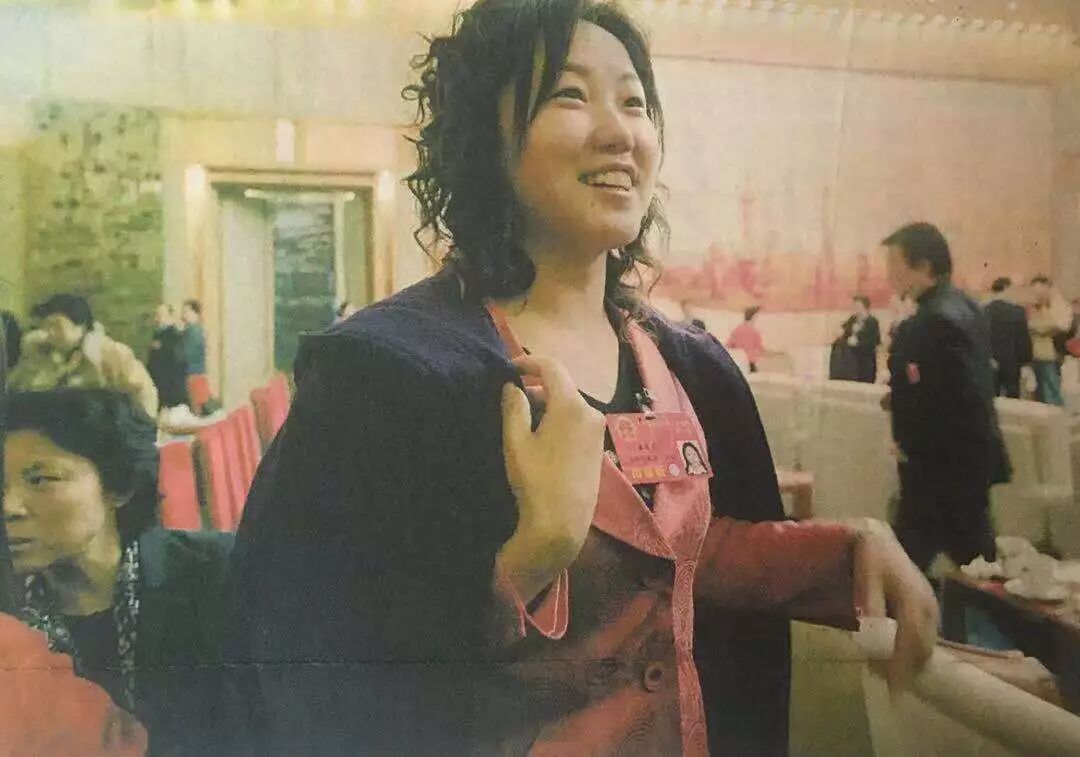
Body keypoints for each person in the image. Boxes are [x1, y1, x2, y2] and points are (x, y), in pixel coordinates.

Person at [222, 3, 937, 755]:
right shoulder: (384, 376)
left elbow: (681, 551)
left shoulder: (691, 368)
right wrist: (532, 554)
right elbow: (303, 660)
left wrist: (844, 552)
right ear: (484, 135)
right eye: (570, 94)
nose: (619, 132)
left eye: (634, 102)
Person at [3, 389, 233, 755]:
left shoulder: (219, 578)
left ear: (119, 486)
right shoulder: (8, 615)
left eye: (41, 479)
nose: (9, 507)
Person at [882, 222, 1011, 573]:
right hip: (968, 463)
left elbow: (951, 398)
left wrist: (907, 438)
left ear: (923, 266)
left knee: (907, 567)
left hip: (937, 468)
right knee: (974, 562)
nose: (889, 276)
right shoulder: (968, 308)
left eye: (894, 265)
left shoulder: (932, 321)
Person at [8, 295, 158, 418]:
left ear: (81, 324)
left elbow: (143, 394)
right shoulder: (40, 355)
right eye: (47, 326)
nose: (50, 332)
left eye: (57, 325)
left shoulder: (110, 354)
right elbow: (18, 389)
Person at [983, 277, 1032, 399]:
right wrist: (1025, 362)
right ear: (1007, 289)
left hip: (990, 361)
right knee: (1012, 397)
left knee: (991, 398)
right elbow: (1023, 340)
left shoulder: (983, 311)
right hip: (1012, 362)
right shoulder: (1018, 311)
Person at [1027, 275, 1070, 406]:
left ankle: (1056, 411)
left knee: (1051, 386)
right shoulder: (1040, 305)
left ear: (1047, 287)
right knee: (1041, 387)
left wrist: (1040, 328)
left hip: (1052, 351)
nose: (1036, 294)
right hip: (1039, 352)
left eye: (1038, 290)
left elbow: (1062, 326)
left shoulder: (1058, 303)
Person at [145, 305, 188, 410]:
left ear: (170, 316)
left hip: (170, 386)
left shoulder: (176, 335)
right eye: (157, 315)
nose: (157, 318)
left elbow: (178, 360)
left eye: (161, 315)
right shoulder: (158, 333)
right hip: (158, 383)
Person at [832, 295, 881, 383]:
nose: (855, 308)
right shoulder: (853, 319)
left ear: (864, 307)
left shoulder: (872, 322)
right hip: (851, 362)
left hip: (865, 361)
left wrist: (857, 343)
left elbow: (874, 342)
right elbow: (844, 332)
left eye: (857, 306)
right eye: (854, 306)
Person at [726, 306, 768, 372]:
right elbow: (760, 349)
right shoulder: (755, 333)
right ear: (753, 317)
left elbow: (728, 345)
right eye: (757, 317)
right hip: (750, 364)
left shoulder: (737, 330)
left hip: (739, 363)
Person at [180, 299, 206, 377]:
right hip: (192, 375)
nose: (183, 315)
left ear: (194, 313)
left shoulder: (195, 331)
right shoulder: (189, 329)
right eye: (183, 312)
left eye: (185, 312)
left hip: (194, 376)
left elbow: (186, 354)